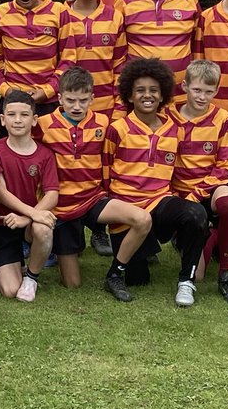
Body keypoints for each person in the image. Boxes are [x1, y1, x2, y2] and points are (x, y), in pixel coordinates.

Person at [103, 58, 209, 306]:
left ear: (162, 95)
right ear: (129, 95)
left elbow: (178, 171)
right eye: (140, 90)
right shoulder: (117, 129)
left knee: (195, 213)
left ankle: (186, 281)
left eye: (154, 90)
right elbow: (105, 174)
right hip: (128, 210)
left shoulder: (174, 130)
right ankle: (129, 261)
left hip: (160, 202)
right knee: (138, 279)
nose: (147, 95)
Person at [36, 67, 151, 290]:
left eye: (83, 100)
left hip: (94, 199)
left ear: (92, 98)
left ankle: (116, 272)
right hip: (62, 207)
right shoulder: (42, 124)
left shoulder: (103, 123)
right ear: (60, 98)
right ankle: (56, 248)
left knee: (142, 219)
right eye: (70, 100)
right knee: (72, 284)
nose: (76, 106)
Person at [56, 0, 125, 256]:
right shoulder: (58, 14)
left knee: (100, 166)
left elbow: (120, 65)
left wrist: (119, 107)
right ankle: (64, 224)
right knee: (67, 163)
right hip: (66, 106)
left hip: (104, 106)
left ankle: (99, 227)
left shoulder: (114, 16)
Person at [169, 60, 228, 305]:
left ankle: (227, 273)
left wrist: (197, 193)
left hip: (210, 189)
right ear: (184, 86)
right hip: (180, 195)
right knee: (198, 275)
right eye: (197, 90)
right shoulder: (168, 116)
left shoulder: (223, 118)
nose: (202, 97)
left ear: (217, 90)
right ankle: (206, 234)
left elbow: (225, 166)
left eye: (209, 91)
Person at [0, 91, 59, 302]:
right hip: (4, 224)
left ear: (34, 119)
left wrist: (27, 218)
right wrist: (30, 214)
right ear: (3, 119)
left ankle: (31, 277)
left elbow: (52, 195)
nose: (18, 120)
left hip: (29, 224)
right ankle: (8, 259)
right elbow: (1, 192)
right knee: (10, 290)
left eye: (24, 114)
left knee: (43, 227)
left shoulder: (45, 154)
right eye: (11, 115)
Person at [114, 0, 200, 91]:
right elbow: (118, 53)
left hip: (182, 94)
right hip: (140, 95)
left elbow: (197, 44)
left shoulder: (189, 0)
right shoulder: (124, 2)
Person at [0, 0, 64, 129]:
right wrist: (6, 90)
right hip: (12, 101)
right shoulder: (0, 13)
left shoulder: (59, 11)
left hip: (49, 102)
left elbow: (68, 58)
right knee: (11, 146)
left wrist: (47, 91)